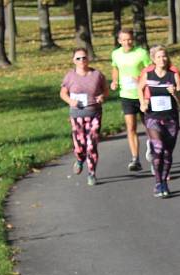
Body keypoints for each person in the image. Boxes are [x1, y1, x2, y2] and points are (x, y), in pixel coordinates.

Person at [139, 45, 180, 197]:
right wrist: (142, 103)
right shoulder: (148, 75)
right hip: (153, 117)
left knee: (167, 152)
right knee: (158, 149)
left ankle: (164, 181)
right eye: (158, 57)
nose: (162, 59)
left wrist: (176, 93)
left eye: (164, 56)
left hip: (171, 118)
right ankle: (158, 183)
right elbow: (140, 89)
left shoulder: (173, 75)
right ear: (153, 59)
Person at [61, 48, 108, 186]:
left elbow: (105, 90)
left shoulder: (97, 74)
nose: (82, 61)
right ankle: (80, 159)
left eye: (84, 58)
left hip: (94, 113)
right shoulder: (70, 76)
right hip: (77, 114)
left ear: (88, 59)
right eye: (78, 58)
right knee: (80, 145)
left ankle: (92, 173)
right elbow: (63, 93)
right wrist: (71, 101)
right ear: (73, 61)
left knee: (92, 144)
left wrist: (102, 96)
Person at [111, 29, 151, 172]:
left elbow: (150, 70)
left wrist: (141, 79)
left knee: (150, 127)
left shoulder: (141, 53)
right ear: (119, 41)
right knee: (131, 127)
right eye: (123, 40)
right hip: (126, 95)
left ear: (132, 39)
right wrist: (115, 81)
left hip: (143, 95)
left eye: (129, 39)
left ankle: (152, 149)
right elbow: (115, 67)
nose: (127, 42)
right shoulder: (116, 54)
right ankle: (135, 159)